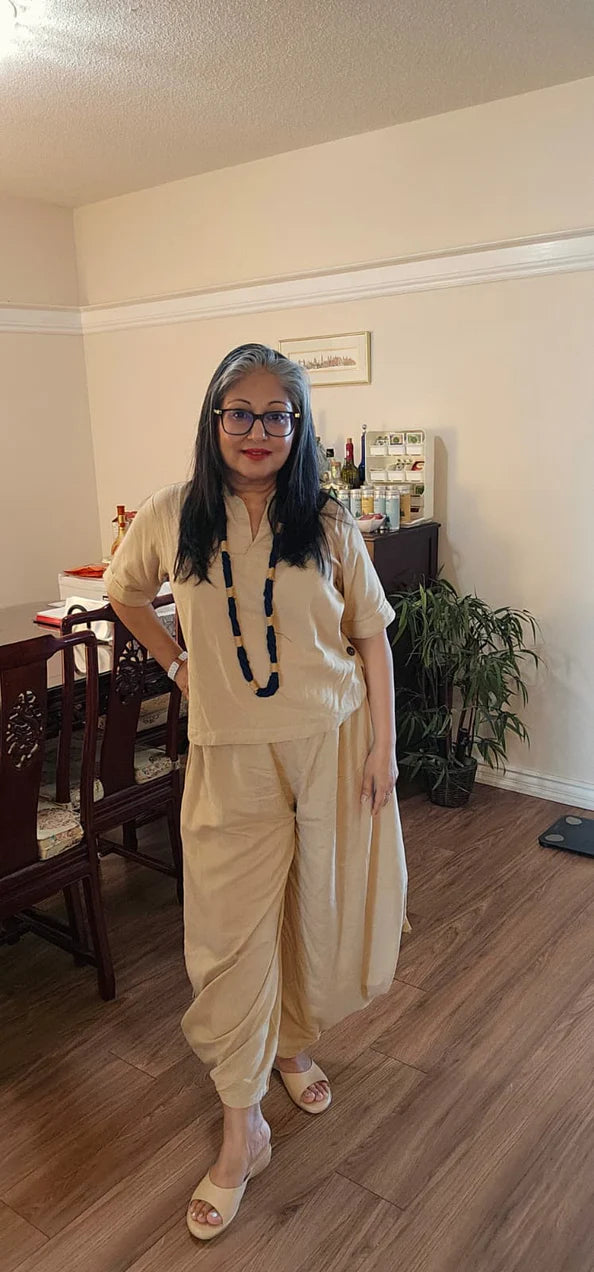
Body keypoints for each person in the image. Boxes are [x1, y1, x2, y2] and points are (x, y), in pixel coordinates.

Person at [104, 343, 408, 1242]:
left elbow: (373, 639)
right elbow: (126, 594)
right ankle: (245, 1129)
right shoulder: (171, 516)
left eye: (279, 415)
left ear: (299, 428)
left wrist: (383, 753)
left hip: (331, 742)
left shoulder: (325, 520)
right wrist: (177, 665)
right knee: (228, 936)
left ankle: (296, 1044)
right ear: (213, 419)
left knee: (310, 911)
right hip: (229, 757)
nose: (259, 431)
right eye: (241, 412)